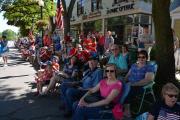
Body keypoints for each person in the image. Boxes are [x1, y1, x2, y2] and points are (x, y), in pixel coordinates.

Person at [124, 50, 155, 117]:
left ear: (146, 58)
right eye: (139, 57)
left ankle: (127, 110)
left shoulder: (149, 67)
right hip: (129, 83)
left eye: (143, 57)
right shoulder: (134, 65)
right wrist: (123, 81)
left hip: (140, 86)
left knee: (130, 90)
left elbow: (147, 80)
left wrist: (133, 84)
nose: (141, 59)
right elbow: (128, 75)